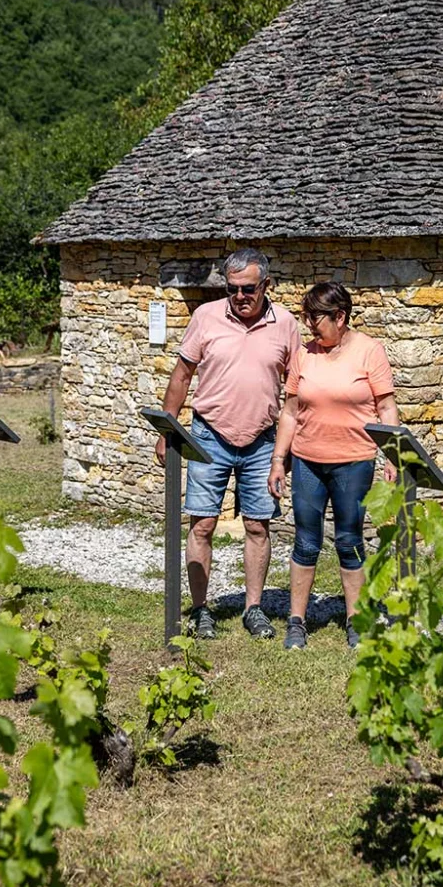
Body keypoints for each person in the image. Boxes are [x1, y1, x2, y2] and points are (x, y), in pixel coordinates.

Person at [156, 249, 301, 640]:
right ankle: (201, 610)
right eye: (232, 288)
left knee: (257, 525)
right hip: (208, 437)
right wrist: (166, 431)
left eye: (248, 288)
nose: (239, 296)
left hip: (262, 442)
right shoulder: (205, 317)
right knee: (202, 524)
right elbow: (182, 376)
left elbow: (297, 391)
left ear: (265, 285)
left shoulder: (286, 324)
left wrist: (286, 450)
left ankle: (253, 609)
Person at [267, 282, 399, 650]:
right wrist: (279, 460)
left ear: (340, 317)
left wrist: (391, 453)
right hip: (308, 462)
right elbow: (290, 413)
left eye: (315, 317)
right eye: (306, 316)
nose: (309, 325)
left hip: (353, 463)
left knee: (349, 541)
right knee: (305, 542)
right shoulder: (304, 355)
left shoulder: (369, 351)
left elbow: (386, 407)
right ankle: (297, 620)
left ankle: (355, 620)